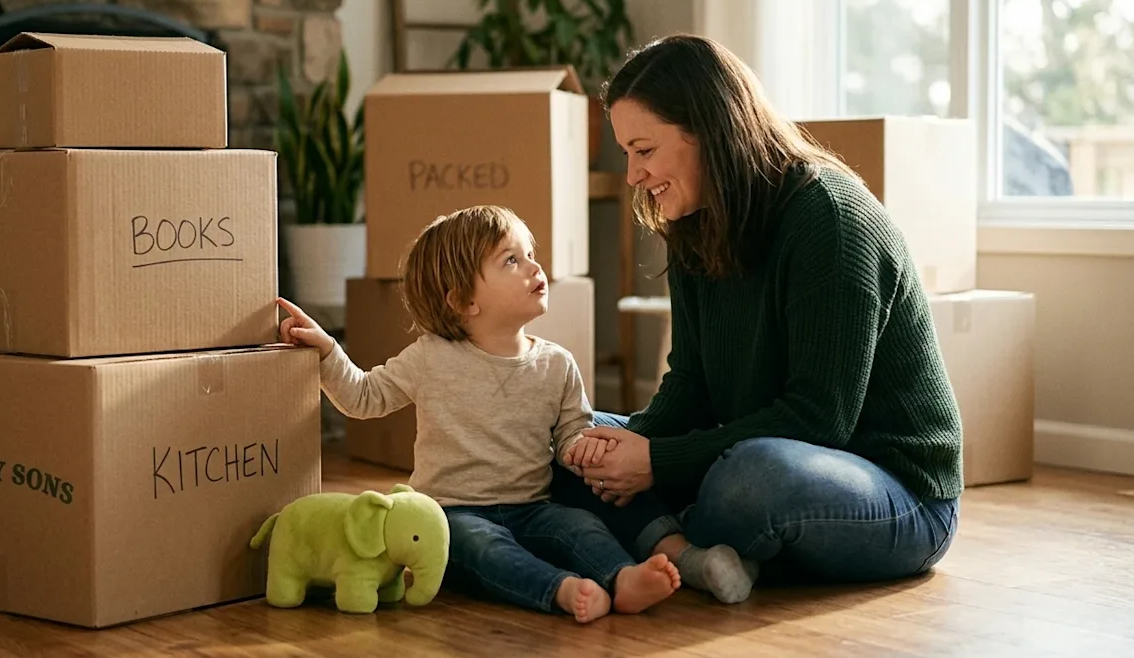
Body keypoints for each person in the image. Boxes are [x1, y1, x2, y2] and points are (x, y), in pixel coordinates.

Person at [553, 33, 964, 599]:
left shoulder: (832, 221)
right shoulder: (695, 222)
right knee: (565, 437)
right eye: (627, 154)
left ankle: (638, 538)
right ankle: (693, 554)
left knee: (750, 477)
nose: (632, 176)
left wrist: (657, 462)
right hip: (738, 452)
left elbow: (820, 420)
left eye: (644, 150)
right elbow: (691, 384)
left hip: (895, 494)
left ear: (708, 133)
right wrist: (624, 447)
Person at [276, 205, 685, 623]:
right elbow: (363, 396)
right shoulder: (430, 357)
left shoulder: (557, 364)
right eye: (512, 260)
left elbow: (570, 435)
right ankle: (560, 590)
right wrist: (327, 350)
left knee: (581, 525)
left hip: (532, 506)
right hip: (454, 513)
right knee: (481, 547)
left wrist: (582, 450)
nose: (533, 266)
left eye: (530, 253)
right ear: (463, 301)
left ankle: (622, 578)